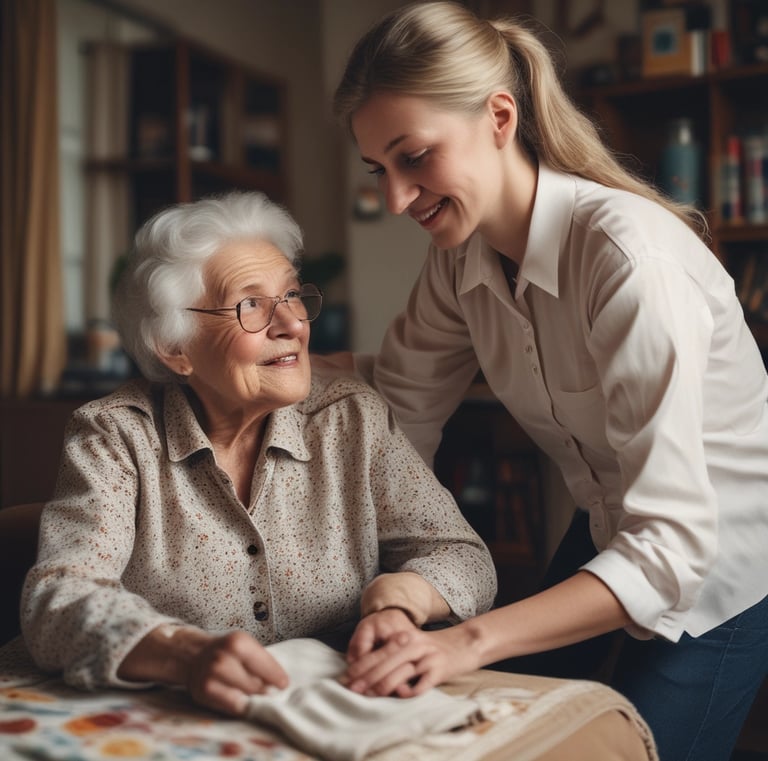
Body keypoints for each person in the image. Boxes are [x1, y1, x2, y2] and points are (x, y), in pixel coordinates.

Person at [327, 3, 768, 760]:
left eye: (414, 157)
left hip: (719, 558)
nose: (396, 199)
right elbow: (402, 407)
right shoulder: (457, 261)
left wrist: (465, 639)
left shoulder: (629, 260)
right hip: (607, 528)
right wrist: (400, 589)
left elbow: (671, 546)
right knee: (493, 733)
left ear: (500, 116)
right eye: (379, 171)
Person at [20, 191, 496, 717]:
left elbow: (465, 557)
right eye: (251, 305)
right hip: (178, 720)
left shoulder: (352, 419)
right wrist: (183, 654)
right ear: (175, 348)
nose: (291, 323)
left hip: (338, 710)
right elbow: (57, 603)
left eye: (291, 295)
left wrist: (403, 597)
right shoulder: (115, 436)